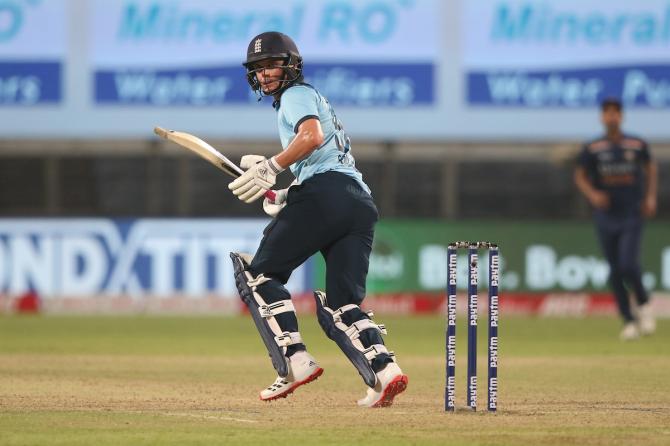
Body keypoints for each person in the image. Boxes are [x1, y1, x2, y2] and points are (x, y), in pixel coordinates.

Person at [227, 31, 408, 407]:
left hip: (326, 194)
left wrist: (272, 166)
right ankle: (385, 370)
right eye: (258, 68)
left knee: (259, 276)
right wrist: (286, 193)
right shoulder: (311, 99)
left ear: (291, 65)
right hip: (358, 202)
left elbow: (311, 137)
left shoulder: (296, 95)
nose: (265, 74)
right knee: (343, 304)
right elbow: (324, 161)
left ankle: (294, 362)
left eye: (272, 64)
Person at [574, 97, 658, 341]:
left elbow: (651, 168)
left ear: (621, 117)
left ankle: (643, 302)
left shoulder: (637, 144)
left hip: (632, 212)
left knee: (628, 264)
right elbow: (579, 175)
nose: (612, 117)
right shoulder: (593, 148)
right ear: (602, 117)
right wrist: (593, 194)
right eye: (607, 113)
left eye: (616, 113)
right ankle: (629, 321)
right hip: (605, 215)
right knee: (614, 271)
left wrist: (650, 197)